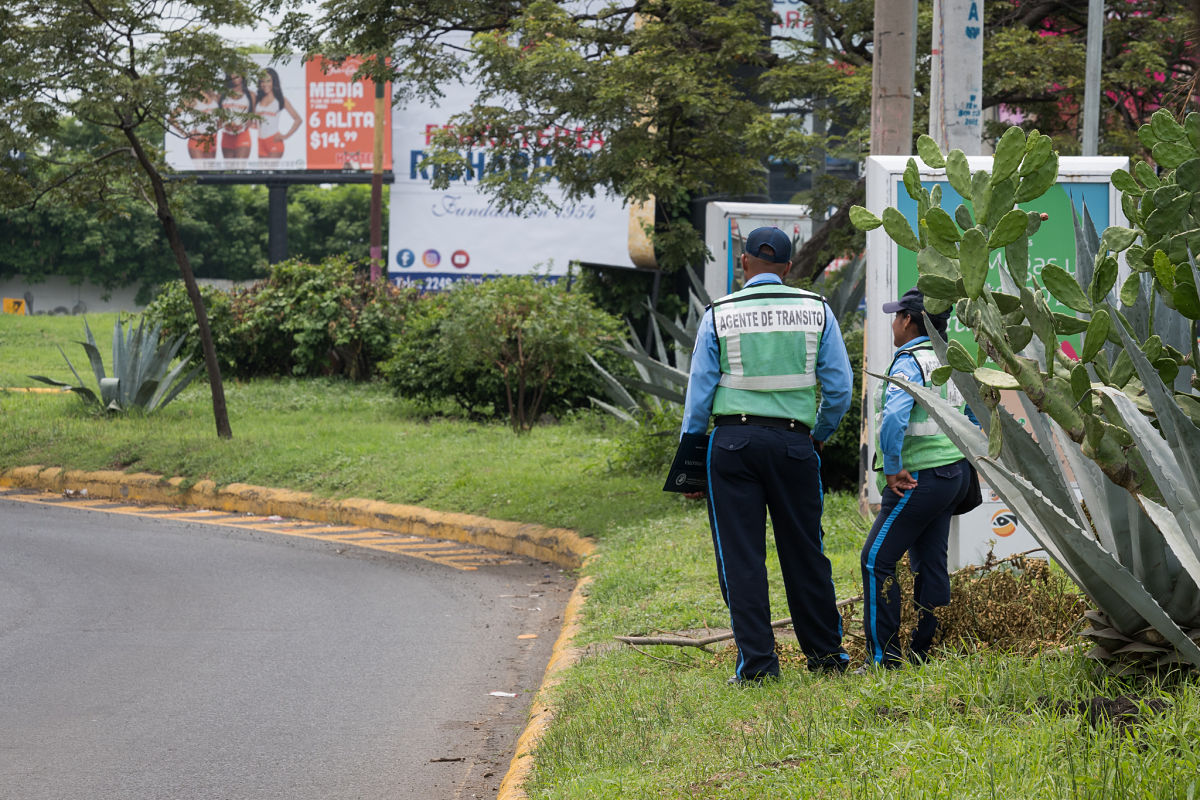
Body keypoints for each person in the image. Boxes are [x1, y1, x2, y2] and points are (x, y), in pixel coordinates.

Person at [680, 226, 854, 683]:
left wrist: (691, 467)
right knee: (805, 553)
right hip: (795, 444)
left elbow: (698, 399)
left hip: (732, 447)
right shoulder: (815, 310)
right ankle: (825, 658)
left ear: (743, 263)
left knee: (741, 560)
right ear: (789, 267)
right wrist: (817, 434)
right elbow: (839, 388)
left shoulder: (720, 312)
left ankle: (757, 667)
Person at [861, 287, 974, 670]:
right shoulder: (949, 360)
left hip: (916, 480)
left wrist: (891, 466)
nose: (893, 323)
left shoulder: (908, 361)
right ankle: (925, 649)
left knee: (876, 561)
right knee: (929, 563)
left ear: (908, 320)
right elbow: (973, 419)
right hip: (952, 477)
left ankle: (884, 658)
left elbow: (894, 417)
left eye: (896, 316)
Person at [254, 68, 302, 159]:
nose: (265, 84)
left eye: (268, 81)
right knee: (262, 172)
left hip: (273, 140)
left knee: (271, 171)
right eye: (263, 81)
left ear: (274, 82)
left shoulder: (280, 100)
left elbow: (298, 119)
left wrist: (285, 136)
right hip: (260, 141)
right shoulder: (258, 100)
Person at [218, 74, 254, 159]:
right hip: (226, 135)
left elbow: (253, 116)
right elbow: (218, 115)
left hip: (242, 135)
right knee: (229, 169)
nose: (234, 79)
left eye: (237, 75)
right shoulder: (222, 94)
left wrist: (246, 123)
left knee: (240, 168)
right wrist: (224, 124)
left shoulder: (250, 95)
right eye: (232, 76)